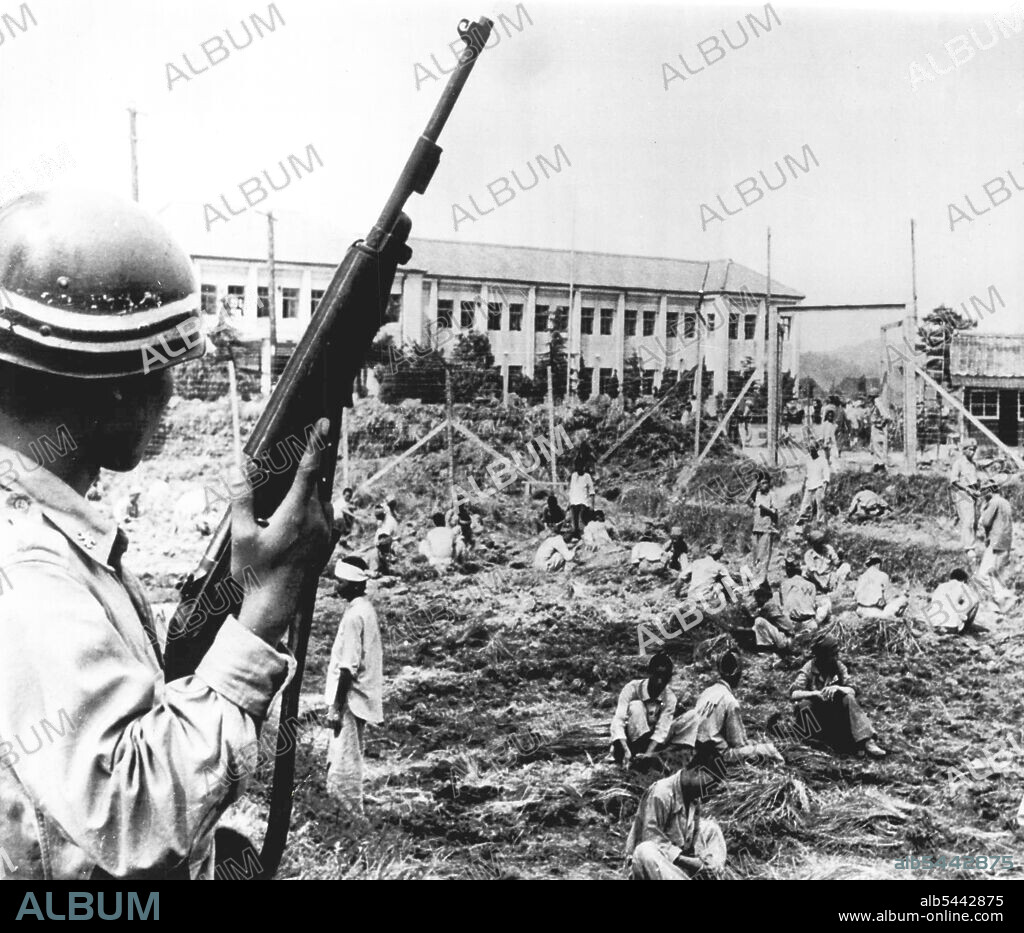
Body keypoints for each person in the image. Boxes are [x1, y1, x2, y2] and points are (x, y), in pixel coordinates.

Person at [0, 191, 333, 880]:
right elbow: (132, 813)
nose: (174, 390)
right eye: (166, 365)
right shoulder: (27, 567)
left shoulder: (49, 533)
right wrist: (261, 617)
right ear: (116, 385)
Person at [325, 557, 384, 814]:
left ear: (353, 583)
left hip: (350, 699)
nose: (337, 586)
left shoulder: (353, 617)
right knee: (350, 753)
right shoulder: (364, 609)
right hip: (359, 696)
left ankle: (346, 812)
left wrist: (337, 707)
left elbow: (347, 667)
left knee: (344, 759)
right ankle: (348, 808)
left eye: (340, 582)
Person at [683, 651, 784, 770]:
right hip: (717, 755)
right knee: (769, 750)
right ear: (738, 674)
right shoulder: (730, 701)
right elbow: (737, 743)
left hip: (696, 747)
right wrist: (755, 746)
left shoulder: (707, 692)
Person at [790, 636, 885, 758]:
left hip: (833, 715)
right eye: (832, 655)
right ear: (822, 656)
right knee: (804, 705)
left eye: (836, 654)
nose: (835, 658)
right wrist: (815, 694)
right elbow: (793, 694)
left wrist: (838, 688)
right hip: (815, 716)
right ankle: (815, 739)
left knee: (848, 699)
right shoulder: (809, 668)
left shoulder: (839, 666)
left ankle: (867, 740)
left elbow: (852, 690)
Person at [625, 769, 727, 880]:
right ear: (696, 772)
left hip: (676, 870)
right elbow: (651, 840)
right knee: (645, 850)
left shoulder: (694, 798)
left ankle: (713, 873)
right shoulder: (660, 793)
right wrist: (691, 862)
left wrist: (705, 864)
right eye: (708, 785)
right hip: (652, 868)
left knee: (711, 829)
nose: (709, 790)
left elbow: (690, 843)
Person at [609, 654, 691, 766]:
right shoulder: (631, 688)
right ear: (649, 673)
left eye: (664, 677)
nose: (660, 682)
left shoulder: (670, 698)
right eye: (657, 675)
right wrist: (625, 749)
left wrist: (648, 753)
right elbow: (618, 720)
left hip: (650, 742)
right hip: (629, 739)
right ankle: (629, 754)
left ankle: (646, 757)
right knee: (636, 706)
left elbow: (662, 729)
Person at [976, 475, 1016, 613]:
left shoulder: (993, 502)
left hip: (995, 542)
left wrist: (982, 511)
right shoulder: (1005, 502)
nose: (982, 494)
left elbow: (986, 521)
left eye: (983, 491)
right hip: (1006, 542)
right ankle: (1000, 604)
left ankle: (1004, 597)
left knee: (982, 575)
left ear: (989, 491)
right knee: (992, 573)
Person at [949, 439, 981, 560]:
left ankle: (969, 544)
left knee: (973, 521)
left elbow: (975, 478)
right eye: (970, 449)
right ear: (965, 450)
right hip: (963, 494)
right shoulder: (959, 463)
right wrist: (967, 489)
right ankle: (969, 548)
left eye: (974, 450)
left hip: (973, 494)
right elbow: (954, 481)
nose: (973, 452)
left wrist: (978, 487)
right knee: (968, 521)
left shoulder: (973, 464)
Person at [739, 581, 793, 652]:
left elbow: (754, 621)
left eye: (758, 598)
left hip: (786, 637)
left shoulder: (768, 606)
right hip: (784, 636)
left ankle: (766, 648)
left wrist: (746, 613)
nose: (756, 600)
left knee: (759, 621)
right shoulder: (770, 604)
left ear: (764, 597)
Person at [684, 543, 738, 612]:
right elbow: (731, 584)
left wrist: (677, 593)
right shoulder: (719, 567)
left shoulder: (696, 563)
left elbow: (682, 577)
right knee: (719, 586)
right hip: (705, 600)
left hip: (691, 598)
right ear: (719, 555)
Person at [780, 557, 831, 628]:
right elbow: (812, 605)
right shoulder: (812, 585)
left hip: (793, 623)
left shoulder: (785, 584)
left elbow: (785, 608)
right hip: (810, 623)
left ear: (788, 570)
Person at [853, 554, 908, 621]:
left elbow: (855, 597)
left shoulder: (862, 577)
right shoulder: (883, 576)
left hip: (860, 610)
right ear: (878, 564)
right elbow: (888, 597)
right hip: (874, 612)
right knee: (903, 598)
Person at [925, 568, 980, 634]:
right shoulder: (963, 586)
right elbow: (973, 601)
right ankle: (964, 632)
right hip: (950, 626)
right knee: (976, 603)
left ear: (950, 578)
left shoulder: (941, 586)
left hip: (932, 623)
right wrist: (962, 615)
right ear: (963, 580)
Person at [749, 476, 780, 581]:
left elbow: (775, 511)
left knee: (763, 556)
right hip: (756, 529)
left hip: (766, 529)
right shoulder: (757, 495)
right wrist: (754, 486)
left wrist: (765, 509)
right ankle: (755, 578)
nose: (764, 485)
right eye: (761, 483)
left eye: (766, 483)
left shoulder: (772, 495)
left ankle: (762, 580)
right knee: (755, 556)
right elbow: (747, 499)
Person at [802, 529, 850, 593]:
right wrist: (822, 584)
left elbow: (837, 563)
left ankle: (837, 588)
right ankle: (818, 589)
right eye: (819, 543)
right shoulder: (808, 555)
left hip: (830, 576)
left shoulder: (828, 549)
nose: (821, 544)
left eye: (822, 542)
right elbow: (813, 572)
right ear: (813, 544)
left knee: (846, 566)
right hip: (817, 579)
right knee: (805, 570)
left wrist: (841, 557)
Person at [795, 440, 831, 527]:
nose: (811, 451)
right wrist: (803, 485)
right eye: (810, 449)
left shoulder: (822, 460)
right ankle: (802, 523)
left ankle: (821, 523)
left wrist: (824, 489)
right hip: (809, 485)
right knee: (805, 504)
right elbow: (806, 473)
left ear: (817, 449)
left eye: (813, 449)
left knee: (820, 504)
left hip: (819, 485)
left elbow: (826, 476)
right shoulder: (808, 459)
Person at [568, 462, 595, 536]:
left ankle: (583, 536)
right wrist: (569, 502)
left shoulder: (587, 476)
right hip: (574, 503)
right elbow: (571, 490)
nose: (579, 469)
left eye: (580, 467)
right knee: (574, 525)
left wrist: (592, 505)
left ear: (583, 467)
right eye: (577, 467)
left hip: (583, 503)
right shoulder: (574, 475)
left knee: (581, 522)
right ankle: (575, 536)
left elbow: (591, 491)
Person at [869, 394, 890, 463]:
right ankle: (877, 465)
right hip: (874, 427)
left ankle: (881, 466)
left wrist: (880, 424)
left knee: (878, 448)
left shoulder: (878, 404)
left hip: (877, 428)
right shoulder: (875, 406)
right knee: (874, 447)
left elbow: (886, 417)